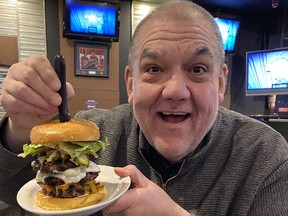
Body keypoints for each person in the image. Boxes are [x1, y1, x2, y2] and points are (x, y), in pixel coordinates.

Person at [0, 0, 288, 215]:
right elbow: (11, 191)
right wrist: (18, 130)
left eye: (198, 69)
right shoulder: (91, 133)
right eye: (153, 68)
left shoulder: (266, 156)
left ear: (221, 82)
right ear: (131, 82)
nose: (175, 90)